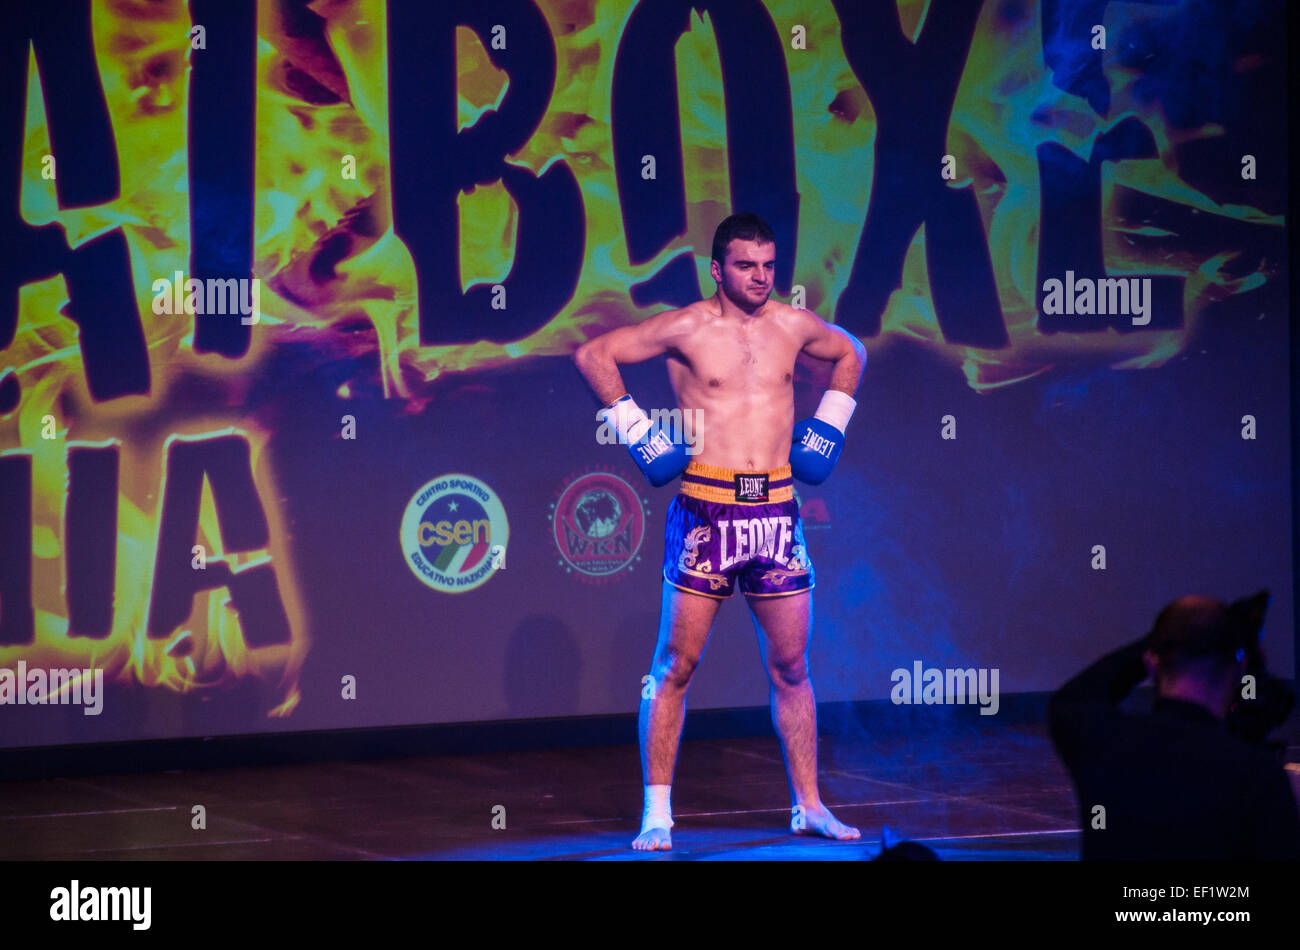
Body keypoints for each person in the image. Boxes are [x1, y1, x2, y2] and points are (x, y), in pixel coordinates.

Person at [574, 213, 866, 851]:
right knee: (676, 665)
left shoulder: (793, 325)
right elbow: (594, 354)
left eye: (767, 265)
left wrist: (829, 428)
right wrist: (641, 435)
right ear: (717, 269)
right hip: (707, 512)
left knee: (791, 666)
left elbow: (851, 352)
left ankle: (809, 806)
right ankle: (657, 814)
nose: (760, 277)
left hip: (776, 517)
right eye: (746, 266)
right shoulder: (686, 327)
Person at [1047, 590, 1300, 860]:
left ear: (1151, 662)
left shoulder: (1103, 745)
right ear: (1239, 669)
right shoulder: (1258, 775)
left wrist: (1167, 638)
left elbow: (1074, 699)